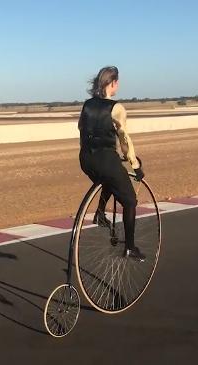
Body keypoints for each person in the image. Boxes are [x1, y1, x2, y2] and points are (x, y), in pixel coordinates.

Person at [78, 66, 146, 261]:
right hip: (106, 160)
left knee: (111, 178)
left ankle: (100, 212)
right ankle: (130, 247)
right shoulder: (116, 108)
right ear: (113, 83)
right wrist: (135, 165)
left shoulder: (87, 105)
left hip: (86, 159)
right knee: (130, 201)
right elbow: (124, 139)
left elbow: (81, 128)